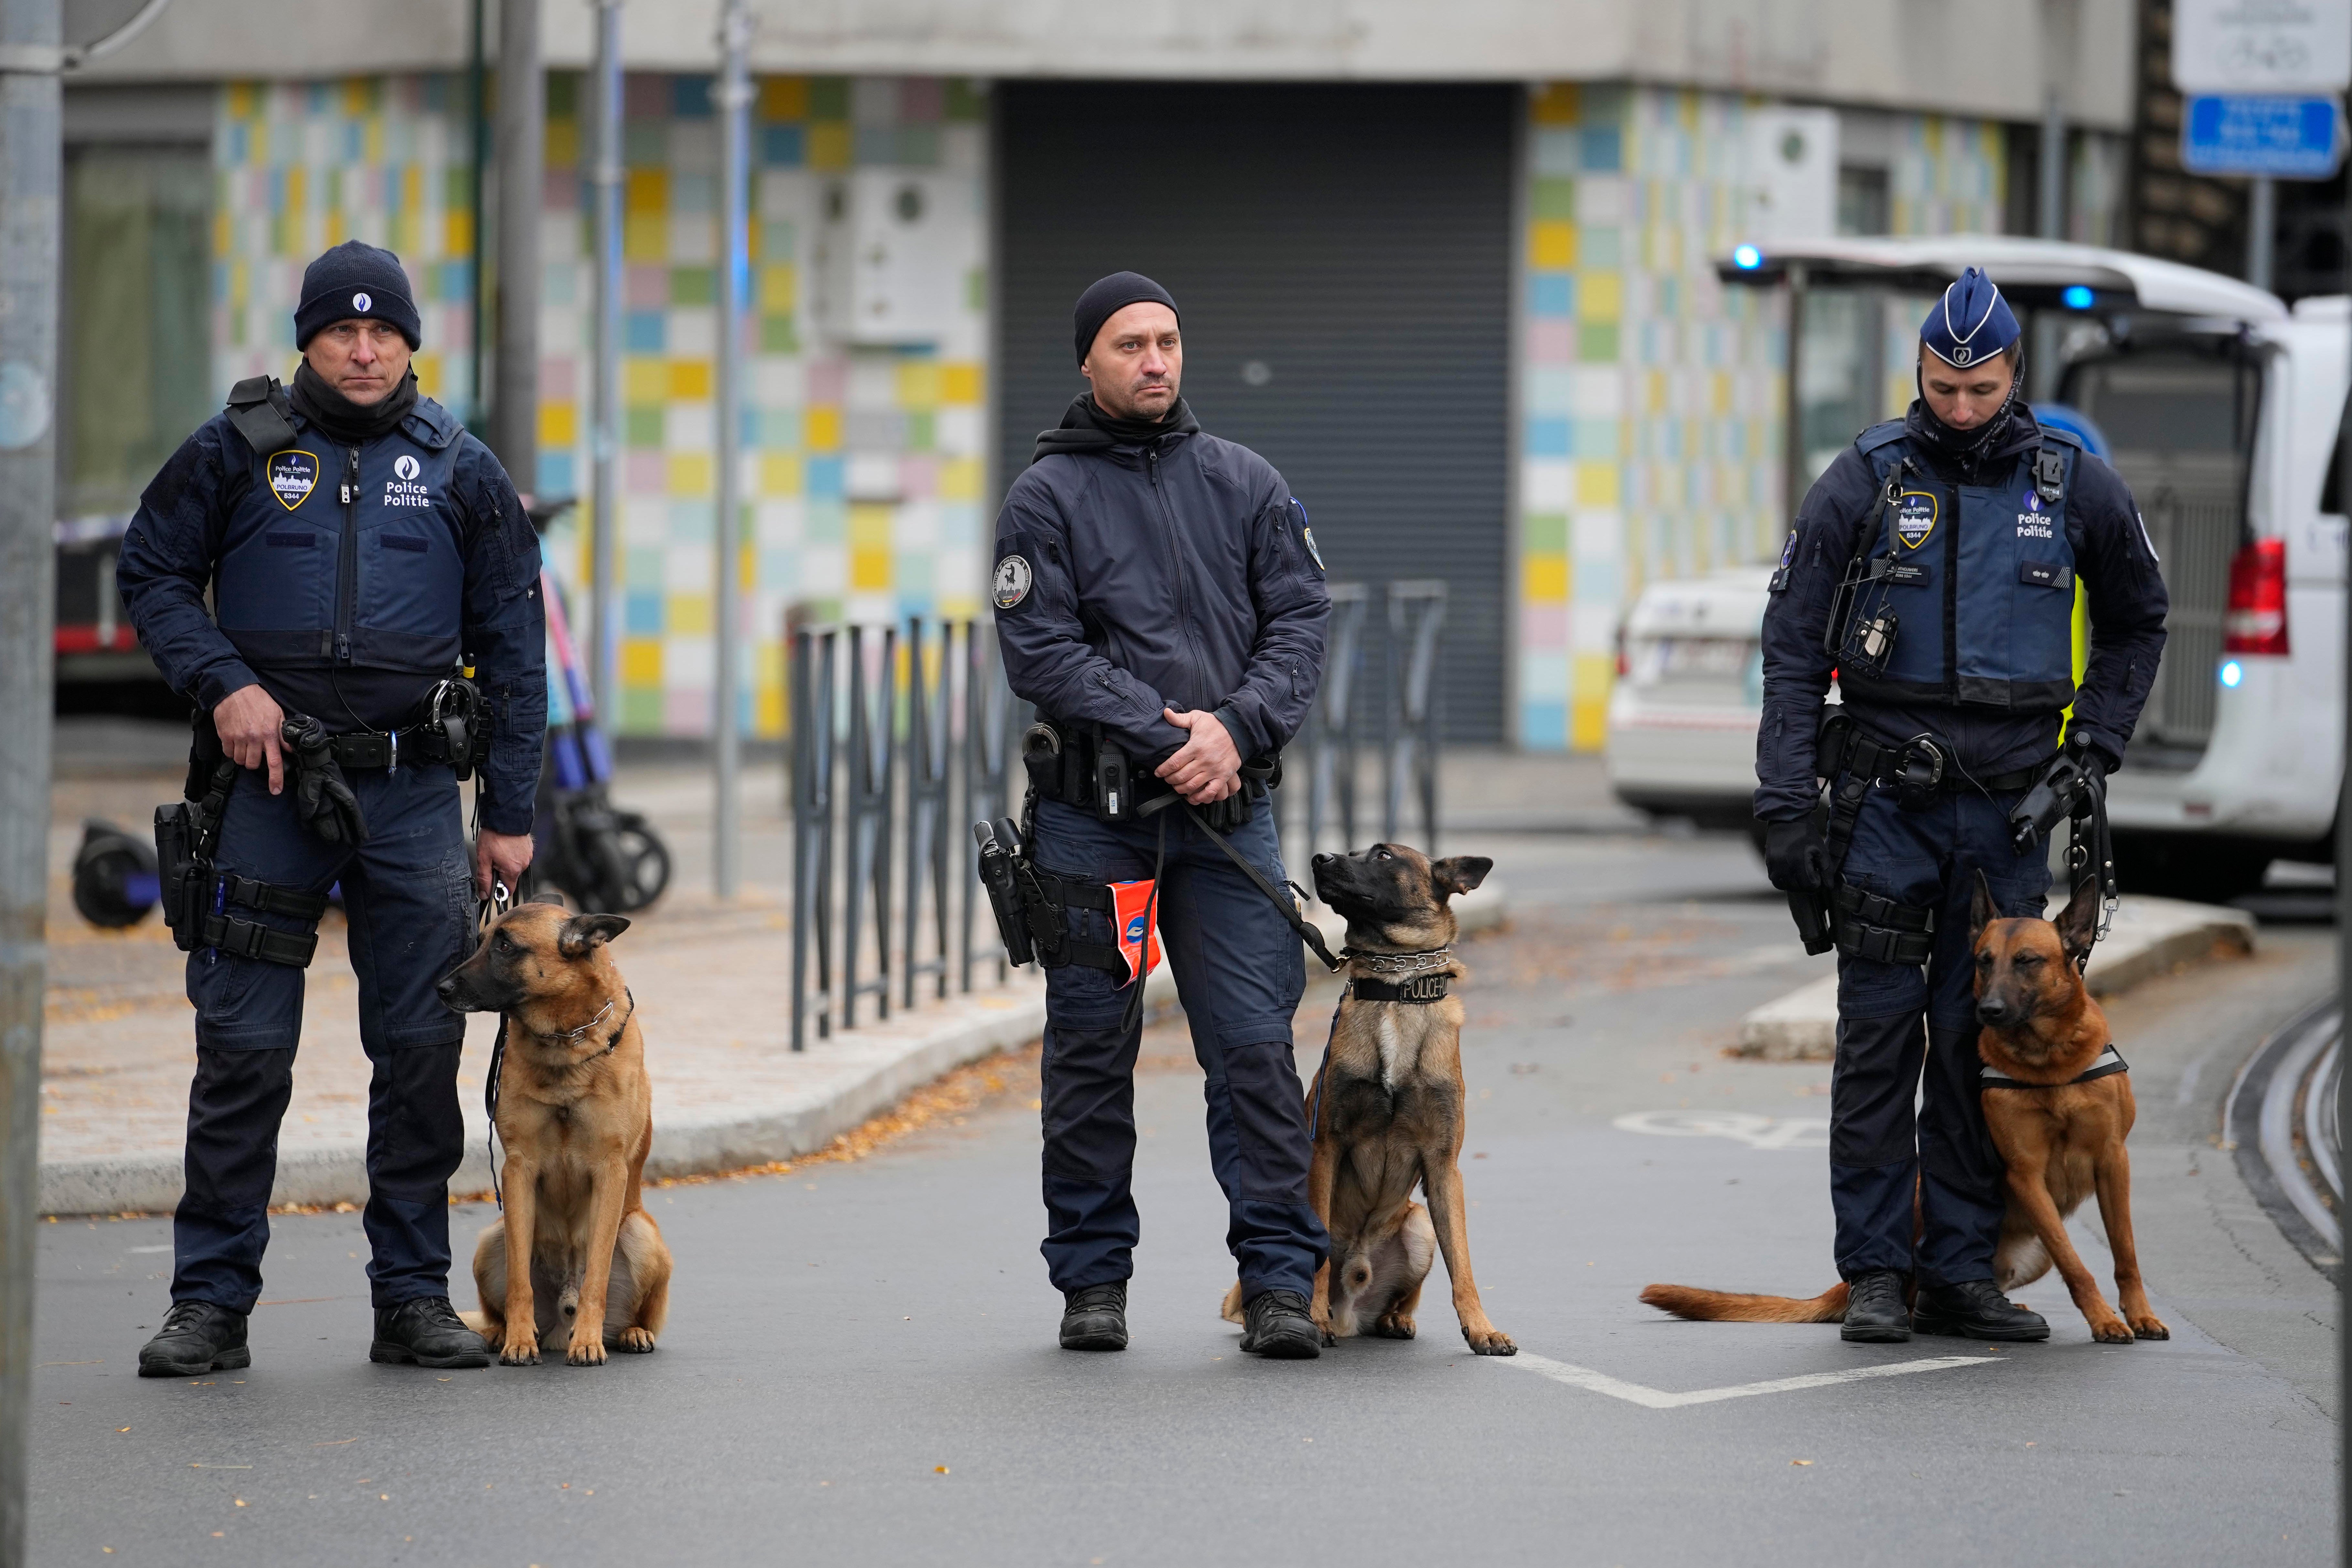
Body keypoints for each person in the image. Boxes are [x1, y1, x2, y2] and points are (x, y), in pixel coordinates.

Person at [116, 240, 548, 1375]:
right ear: (306, 339)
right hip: (265, 789)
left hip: (412, 795)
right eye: (340, 332)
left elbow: (514, 646)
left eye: (384, 332)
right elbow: (152, 573)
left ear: (412, 342)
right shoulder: (235, 450)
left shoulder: (460, 467)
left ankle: (411, 1298)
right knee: (245, 1052)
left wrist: (508, 809)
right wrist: (226, 686)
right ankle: (210, 1302)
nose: (364, 350)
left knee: (417, 1052)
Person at [1755, 267, 2168, 1344]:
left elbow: (2138, 622)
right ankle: (1880, 1271)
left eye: (1980, 390)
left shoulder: (2072, 483)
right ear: (1921, 375)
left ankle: (1959, 1271)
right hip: (1885, 805)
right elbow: (1793, 645)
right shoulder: (1863, 478)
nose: (1961, 410)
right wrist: (1783, 802)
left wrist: (2094, 752)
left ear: (2012, 377)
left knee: (1980, 1046)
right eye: (1943, 388)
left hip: (2011, 816)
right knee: (1881, 1043)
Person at [992, 271, 1333, 1358]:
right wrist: (1166, 733)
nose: (1155, 361)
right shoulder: (1043, 500)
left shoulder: (1245, 482)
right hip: (1095, 821)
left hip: (1227, 816)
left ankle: (1279, 1280)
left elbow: (1300, 621)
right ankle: (1092, 1282)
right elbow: (1039, 650)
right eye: (1131, 344)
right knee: (1092, 1049)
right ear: (1088, 362)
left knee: (1252, 1050)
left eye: (1168, 341)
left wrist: (1233, 727)